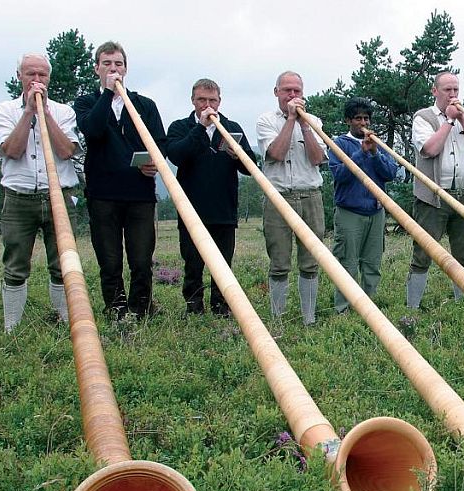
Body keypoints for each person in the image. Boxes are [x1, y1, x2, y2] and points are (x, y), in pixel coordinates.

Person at [74, 41, 166, 319]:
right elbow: (93, 130)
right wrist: (107, 94)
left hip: (139, 194)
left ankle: (141, 308)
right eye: (107, 64)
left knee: (140, 259)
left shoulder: (144, 105)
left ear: (126, 68)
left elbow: (159, 143)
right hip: (103, 194)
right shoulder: (87, 102)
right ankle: (116, 309)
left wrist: (154, 163)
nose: (114, 69)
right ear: (97, 69)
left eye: (118, 64)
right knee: (109, 259)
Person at [0, 53, 80, 332]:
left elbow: (67, 151)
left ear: (49, 78)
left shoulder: (64, 111)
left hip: (59, 196)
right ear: (19, 76)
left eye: (42, 75)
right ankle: (12, 328)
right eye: (31, 74)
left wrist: (46, 113)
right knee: (16, 262)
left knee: (62, 261)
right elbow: (12, 150)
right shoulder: (4, 110)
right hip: (18, 197)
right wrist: (29, 111)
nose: (37, 80)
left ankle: (64, 321)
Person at [167, 78, 256, 316]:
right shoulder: (180, 126)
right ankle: (194, 307)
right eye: (201, 100)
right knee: (193, 263)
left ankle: (221, 306)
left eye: (212, 100)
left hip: (224, 209)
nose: (207, 105)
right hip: (191, 210)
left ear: (220, 101)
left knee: (223, 264)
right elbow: (176, 155)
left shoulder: (232, 127)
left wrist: (237, 154)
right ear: (193, 101)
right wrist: (200, 128)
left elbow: (251, 168)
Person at [407, 71, 464, 308]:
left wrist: (463, 119)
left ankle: (462, 306)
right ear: (435, 91)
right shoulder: (423, 117)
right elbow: (430, 149)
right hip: (433, 198)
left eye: (456, 90)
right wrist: (449, 121)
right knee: (423, 253)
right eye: (447, 90)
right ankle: (412, 308)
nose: (453, 95)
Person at [256, 71, 327, 325]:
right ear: (276, 92)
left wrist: (304, 124)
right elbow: (275, 153)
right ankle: (278, 318)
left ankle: (309, 318)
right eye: (287, 90)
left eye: (297, 90)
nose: (293, 95)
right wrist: (290, 119)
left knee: (311, 259)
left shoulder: (314, 121)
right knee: (279, 261)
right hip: (279, 197)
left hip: (311, 196)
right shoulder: (266, 120)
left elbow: (318, 159)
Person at [328, 97, 398, 313]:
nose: (363, 123)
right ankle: (343, 308)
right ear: (348, 120)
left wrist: (375, 152)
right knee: (347, 262)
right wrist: (361, 153)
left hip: (376, 212)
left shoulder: (379, 144)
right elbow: (340, 175)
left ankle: (367, 307)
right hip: (349, 212)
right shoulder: (339, 144)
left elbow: (390, 173)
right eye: (358, 118)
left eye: (366, 118)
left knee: (372, 263)